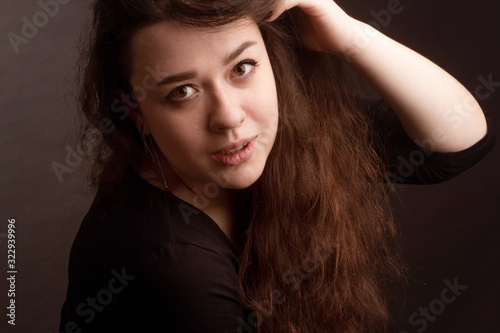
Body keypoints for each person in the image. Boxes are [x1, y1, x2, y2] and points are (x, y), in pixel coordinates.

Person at [59, 0, 495, 332]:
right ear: (135, 113)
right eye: (182, 92)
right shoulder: (172, 264)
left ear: (272, 60)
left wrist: (345, 34)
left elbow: (457, 143)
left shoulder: (288, 132)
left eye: (243, 67)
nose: (229, 116)